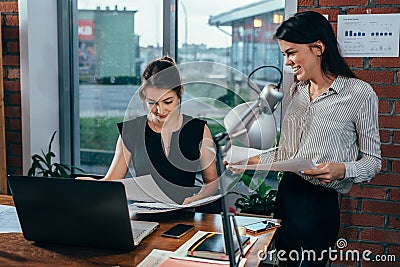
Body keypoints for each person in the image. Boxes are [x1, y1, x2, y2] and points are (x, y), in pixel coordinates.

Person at [227, 11, 381, 266]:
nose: (287, 62)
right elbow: (287, 155)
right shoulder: (296, 91)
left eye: (291, 53)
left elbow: (373, 161)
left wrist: (342, 169)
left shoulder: (359, 94)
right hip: (287, 195)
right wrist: (248, 161)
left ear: (318, 48)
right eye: (284, 54)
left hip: (320, 205)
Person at [79, 56, 218, 205]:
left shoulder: (199, 130)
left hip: (186, 218)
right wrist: (92, 184)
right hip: (144, 219)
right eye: (152, 102)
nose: (160, 110)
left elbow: (212, 183)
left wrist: (196, 199)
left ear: (180, 93)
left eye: (168, 101)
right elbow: (112, 182)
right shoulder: (131, 132)